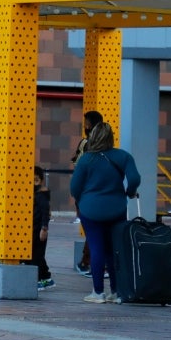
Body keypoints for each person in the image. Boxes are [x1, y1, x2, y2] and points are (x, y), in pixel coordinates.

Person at [70, 121, 140, 304]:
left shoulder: (86, 159)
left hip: (90, 209)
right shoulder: (123, 156)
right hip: (117, 209)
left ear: (93, 137)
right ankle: (116, 291)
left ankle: (98, 292)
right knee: (114, 249)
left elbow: (74, 187)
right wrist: (129, 192)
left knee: (96, 248)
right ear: (111, 137)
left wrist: (83, 200)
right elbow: (134, 178)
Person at [71, 110, 103, 276]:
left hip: (87, 193)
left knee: (93, 229)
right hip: (95, 193)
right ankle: (88, 262)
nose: (85, 126)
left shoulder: (86, 143)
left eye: (86, 123)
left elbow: (78, 167)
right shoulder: (104, 146)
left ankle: (87, 262)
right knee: (96, 229)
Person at [31, 166, 54, 290]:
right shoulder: (35, 194)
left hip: (39, 230)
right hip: (34, 229)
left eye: (36, 180)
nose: (34, 184)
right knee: (38, 255)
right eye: (31, 180)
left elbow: (45, 213)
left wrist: (44, 228)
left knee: (36, 256)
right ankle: (46, 277)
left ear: (41, 181)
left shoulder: (41, 195)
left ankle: (38, 280)